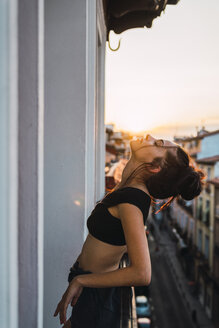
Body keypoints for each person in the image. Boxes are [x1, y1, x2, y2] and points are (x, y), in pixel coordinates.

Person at [54, 134, 205, 328]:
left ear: (153, 167)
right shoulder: (130, 189)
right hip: (93, 295)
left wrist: (81, 281)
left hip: (96, 299)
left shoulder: (133, 200)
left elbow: (142, 273)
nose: (150, 136)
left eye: (158, 143)